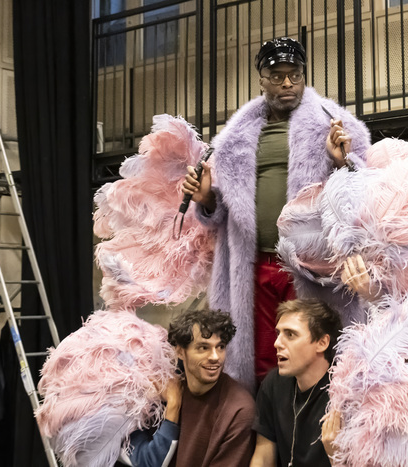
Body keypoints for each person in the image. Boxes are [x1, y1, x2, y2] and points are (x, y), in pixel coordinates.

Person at [182, 37, 371, 389]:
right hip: (251, 266)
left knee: (317, 360)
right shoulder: (235, 137)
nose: (287, 83)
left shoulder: (336, 126)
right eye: (277, 75)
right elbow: (222, 210)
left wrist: (341, 160)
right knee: (260, 357)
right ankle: (266, 431)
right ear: (262, 79)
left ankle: (315, 431)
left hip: (312, 269)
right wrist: (207, 199)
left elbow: (364, 195)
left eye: (294, 75)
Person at [123, 308, 256, 467]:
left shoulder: (238, 409)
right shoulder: (162, 389)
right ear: (180, 351)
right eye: (203, 348)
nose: (215, 357)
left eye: (220, 347)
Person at [249, 298, 343, 467]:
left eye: (290, 335)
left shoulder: (346, 395)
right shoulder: (274, 383)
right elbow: (263, 455)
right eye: (278, 334)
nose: (277, 343)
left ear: (322, 343)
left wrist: (337, 456)